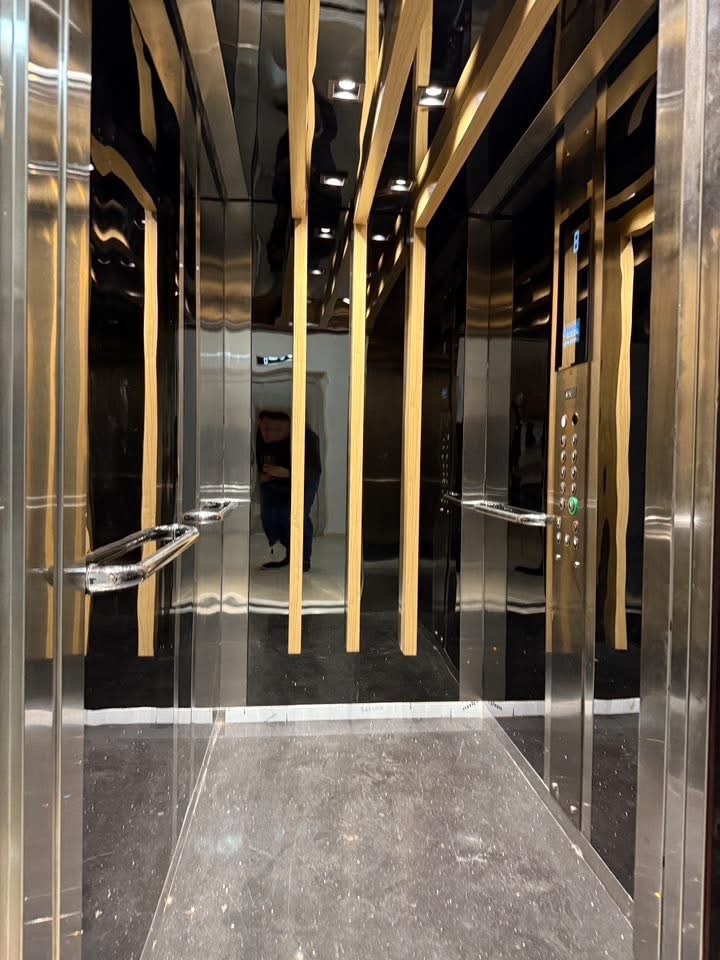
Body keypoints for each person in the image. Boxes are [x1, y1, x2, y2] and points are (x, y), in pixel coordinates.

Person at [255, 410, 321, 572]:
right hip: (275, 477)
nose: (268, 434)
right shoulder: (260, 436)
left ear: (290, 426)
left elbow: (311, 472)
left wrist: (288, 473)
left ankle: (303, 558)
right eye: (264, 429)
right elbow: (260, 460)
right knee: (270, 514)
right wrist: (262, 476)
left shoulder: (308, 438)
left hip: (305, 478)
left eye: (275, 429)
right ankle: (290, 551)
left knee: (298, 514)